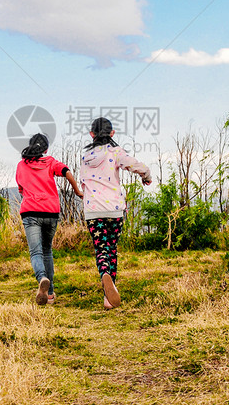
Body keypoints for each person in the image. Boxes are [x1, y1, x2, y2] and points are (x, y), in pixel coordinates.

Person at [81, 117, 151, 309]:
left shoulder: (85, 158)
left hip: (93, 211)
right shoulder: (115, 152)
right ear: (112, 134)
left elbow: (83, 184)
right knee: (112, 248)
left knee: (101, 249)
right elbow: (136, 165)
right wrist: (146, 175)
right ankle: (109, 296)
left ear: (92, 134)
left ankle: (104, 274)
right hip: (114, 209)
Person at [15, 133, 83, 305]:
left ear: (31, 146)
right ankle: (50, 294)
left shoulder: (21, 165)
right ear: (45, 149)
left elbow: (21, 190)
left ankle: (42, 278)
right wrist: (76, 190)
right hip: (51, 211)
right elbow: (66, 171)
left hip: (31, 212)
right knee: (47, 251)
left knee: (36, 252)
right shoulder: (51, 162)